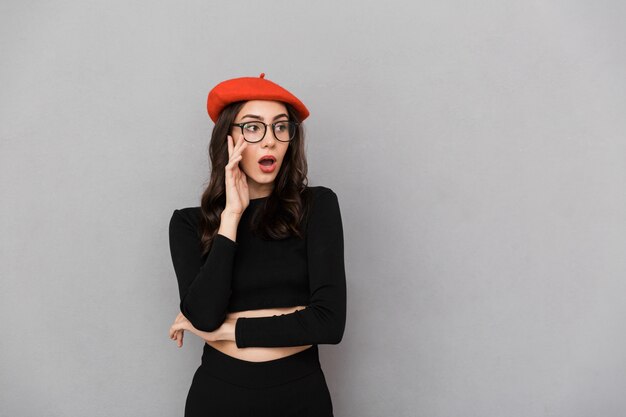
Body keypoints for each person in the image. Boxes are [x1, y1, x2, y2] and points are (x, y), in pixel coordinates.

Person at [167, 72, 347, 417]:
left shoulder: (317, 206)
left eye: (281, 127)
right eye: (253, 127)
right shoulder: (188, 224)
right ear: (228, 140)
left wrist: (228, 329)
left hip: (300, 393)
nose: (270, 141)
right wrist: (232, 216)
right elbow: (203, 315)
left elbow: (329, 322)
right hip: (219, 395)